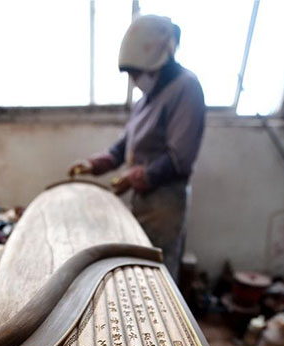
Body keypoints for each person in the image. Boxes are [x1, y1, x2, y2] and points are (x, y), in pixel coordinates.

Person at [68, 14, 205, 279]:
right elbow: (125, 146)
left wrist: (133, 178)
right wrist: (95, 164)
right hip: (144, 198)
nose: (134, 80)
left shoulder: (186, 88)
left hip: (165, 203)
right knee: (139, 271)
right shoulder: (146, 100)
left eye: (137, 73)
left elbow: (179, 159)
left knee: (158, 274)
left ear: (159, 64)